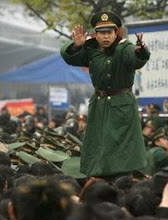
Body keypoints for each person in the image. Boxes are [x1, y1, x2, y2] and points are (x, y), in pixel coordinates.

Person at [60, 11, 150, 179]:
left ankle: (122, 181)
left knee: (120, 149)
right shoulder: (91, 49)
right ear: (96, 35)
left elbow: (136, 59)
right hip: (99, 104)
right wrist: (76, 46)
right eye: (102, 33)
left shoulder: (125, 47)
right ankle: (98, 179)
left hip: (121, 105)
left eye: (109, 32)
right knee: (97, 145)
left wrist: (141, 51)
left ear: (116, 33)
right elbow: (69, 58)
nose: (106, 36)